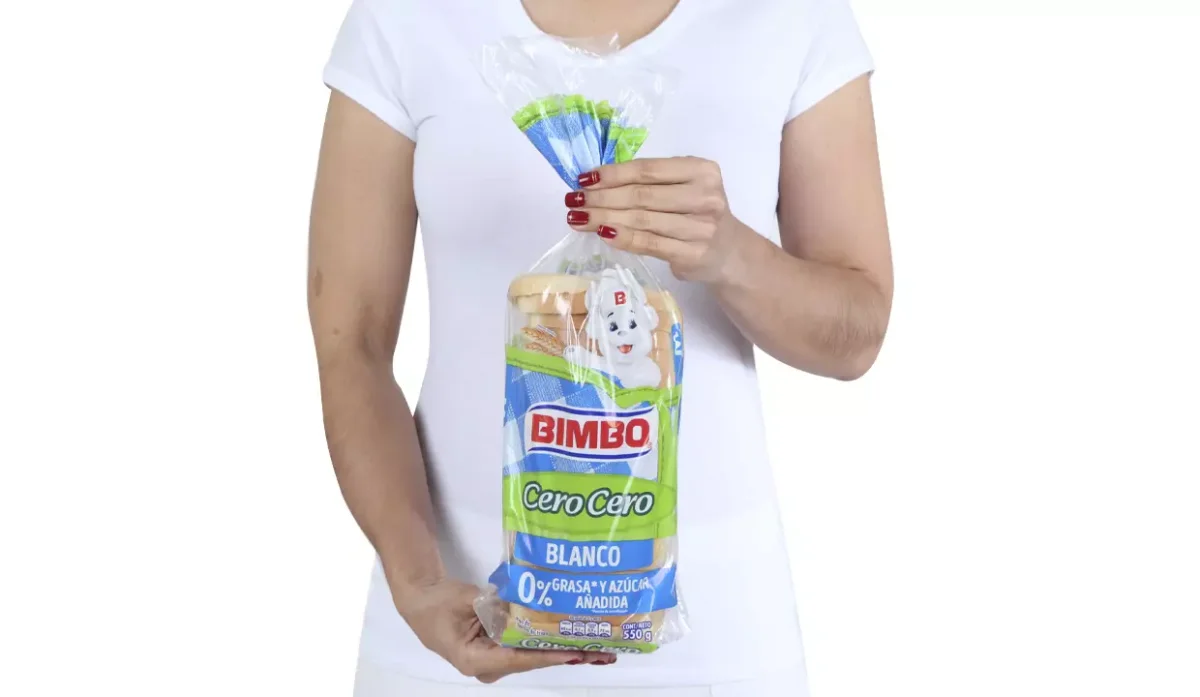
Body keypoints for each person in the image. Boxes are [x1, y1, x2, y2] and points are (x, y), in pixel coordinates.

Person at [308, 0, 892, 694]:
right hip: (449, 632)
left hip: (718, 645)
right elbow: (351, 343)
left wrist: (732, 254)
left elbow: (856, 335)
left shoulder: (793, 16)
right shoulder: (406, 16)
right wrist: (419, 582)